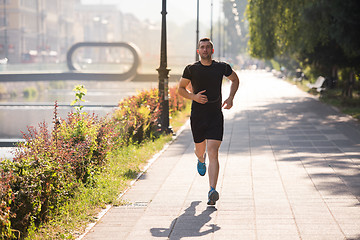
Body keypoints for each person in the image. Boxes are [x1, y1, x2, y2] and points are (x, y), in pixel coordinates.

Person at [178, 38, 239, 205]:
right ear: (198, 51)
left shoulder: (221, 67)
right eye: (202, 47)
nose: (205, 50)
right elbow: (180, 89)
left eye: (208, 47)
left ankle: (212, 191)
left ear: (212, 50)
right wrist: (194, 97)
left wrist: (231, 97)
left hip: (215, 116)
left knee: (213, 151)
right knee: (201, 150)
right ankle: (200, 159)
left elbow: (235, 79)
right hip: (198, 116)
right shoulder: (191, 69)